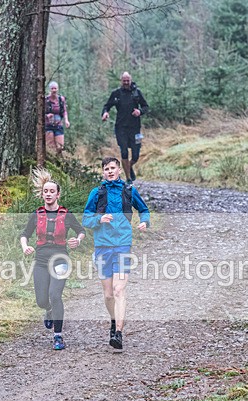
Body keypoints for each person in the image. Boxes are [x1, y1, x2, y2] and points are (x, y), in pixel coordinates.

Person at [83, 156, 151, 350]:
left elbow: (143, 209)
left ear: (119, 170)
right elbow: (86, 219)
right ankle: (113, 320)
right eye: (106, 169)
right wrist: (99, 219)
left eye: (112, 168)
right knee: (108, 295)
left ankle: (119, 334)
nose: (110, 171)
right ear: (103, 172)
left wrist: (144, 221)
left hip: (123, 245)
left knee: (118, 290)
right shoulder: (96, 193)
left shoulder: (129, 191)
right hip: (103, 246)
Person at [20, 168, 85, 350]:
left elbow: (81, 231)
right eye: (45, 191)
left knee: (55, 295)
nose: (48, 194)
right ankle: (48, 310)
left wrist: (77, 241)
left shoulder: (66, 214)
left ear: (58, 194)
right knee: (42, 300)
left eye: (51, 191)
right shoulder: (37, 214)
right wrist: (26, 246)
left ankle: (58, 336)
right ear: (42, 194)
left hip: (60, 259)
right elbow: (24, 234)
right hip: (41, 261)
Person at [101, 72, 149, 183]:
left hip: (135, 128)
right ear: (121, 81)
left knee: (136, 155)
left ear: (131, 80)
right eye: (124, 81)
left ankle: (129, 166)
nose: (126, 83)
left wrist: (140, 111)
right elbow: (107, 106)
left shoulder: (137, 92)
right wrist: (105, 113)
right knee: (124, 152)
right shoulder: (116, 93)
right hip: (121, 128)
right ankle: (128, 178)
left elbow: (146, 106)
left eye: (128, 80)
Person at [44, 81, 70, 156]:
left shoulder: (61, 99)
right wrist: (47, 116)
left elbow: (64, 111)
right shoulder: (46, 100)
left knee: (60, 147)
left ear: (57, 89)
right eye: (52, 88)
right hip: (48, 125)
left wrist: (66, 120)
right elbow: (40, 112)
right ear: (50, 89)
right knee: (50, 146)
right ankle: (52, 163)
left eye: (55, 88)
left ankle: (59, 162)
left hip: (59, 125)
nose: (54, 90)